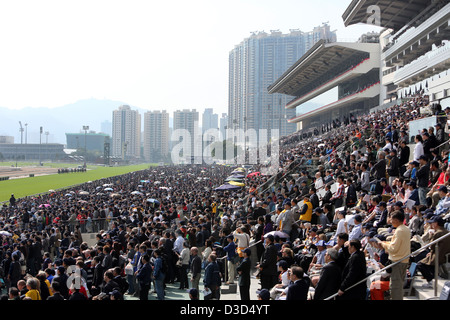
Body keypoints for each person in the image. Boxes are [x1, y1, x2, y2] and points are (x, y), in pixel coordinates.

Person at [380, 210, 411, 300]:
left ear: (396, 220)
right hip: (401, 260)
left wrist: (383, 244)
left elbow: (393, 249)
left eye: (392, 219)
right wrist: (387, 243)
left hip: (398, 261)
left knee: (395, 287)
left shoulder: (400, 231)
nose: (390, 221)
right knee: (396, 286)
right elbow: (397, 245)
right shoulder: (405, 229)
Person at [417, 216, 450, 288]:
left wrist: (431, 235)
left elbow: (431, 246)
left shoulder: (438, 233)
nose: (431, 225)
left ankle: (431, 281)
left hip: (438, 256)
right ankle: (434, 277)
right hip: (443, 255)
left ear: (436, 224)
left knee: (419, 264)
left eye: (432, 223)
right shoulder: (446, 232)